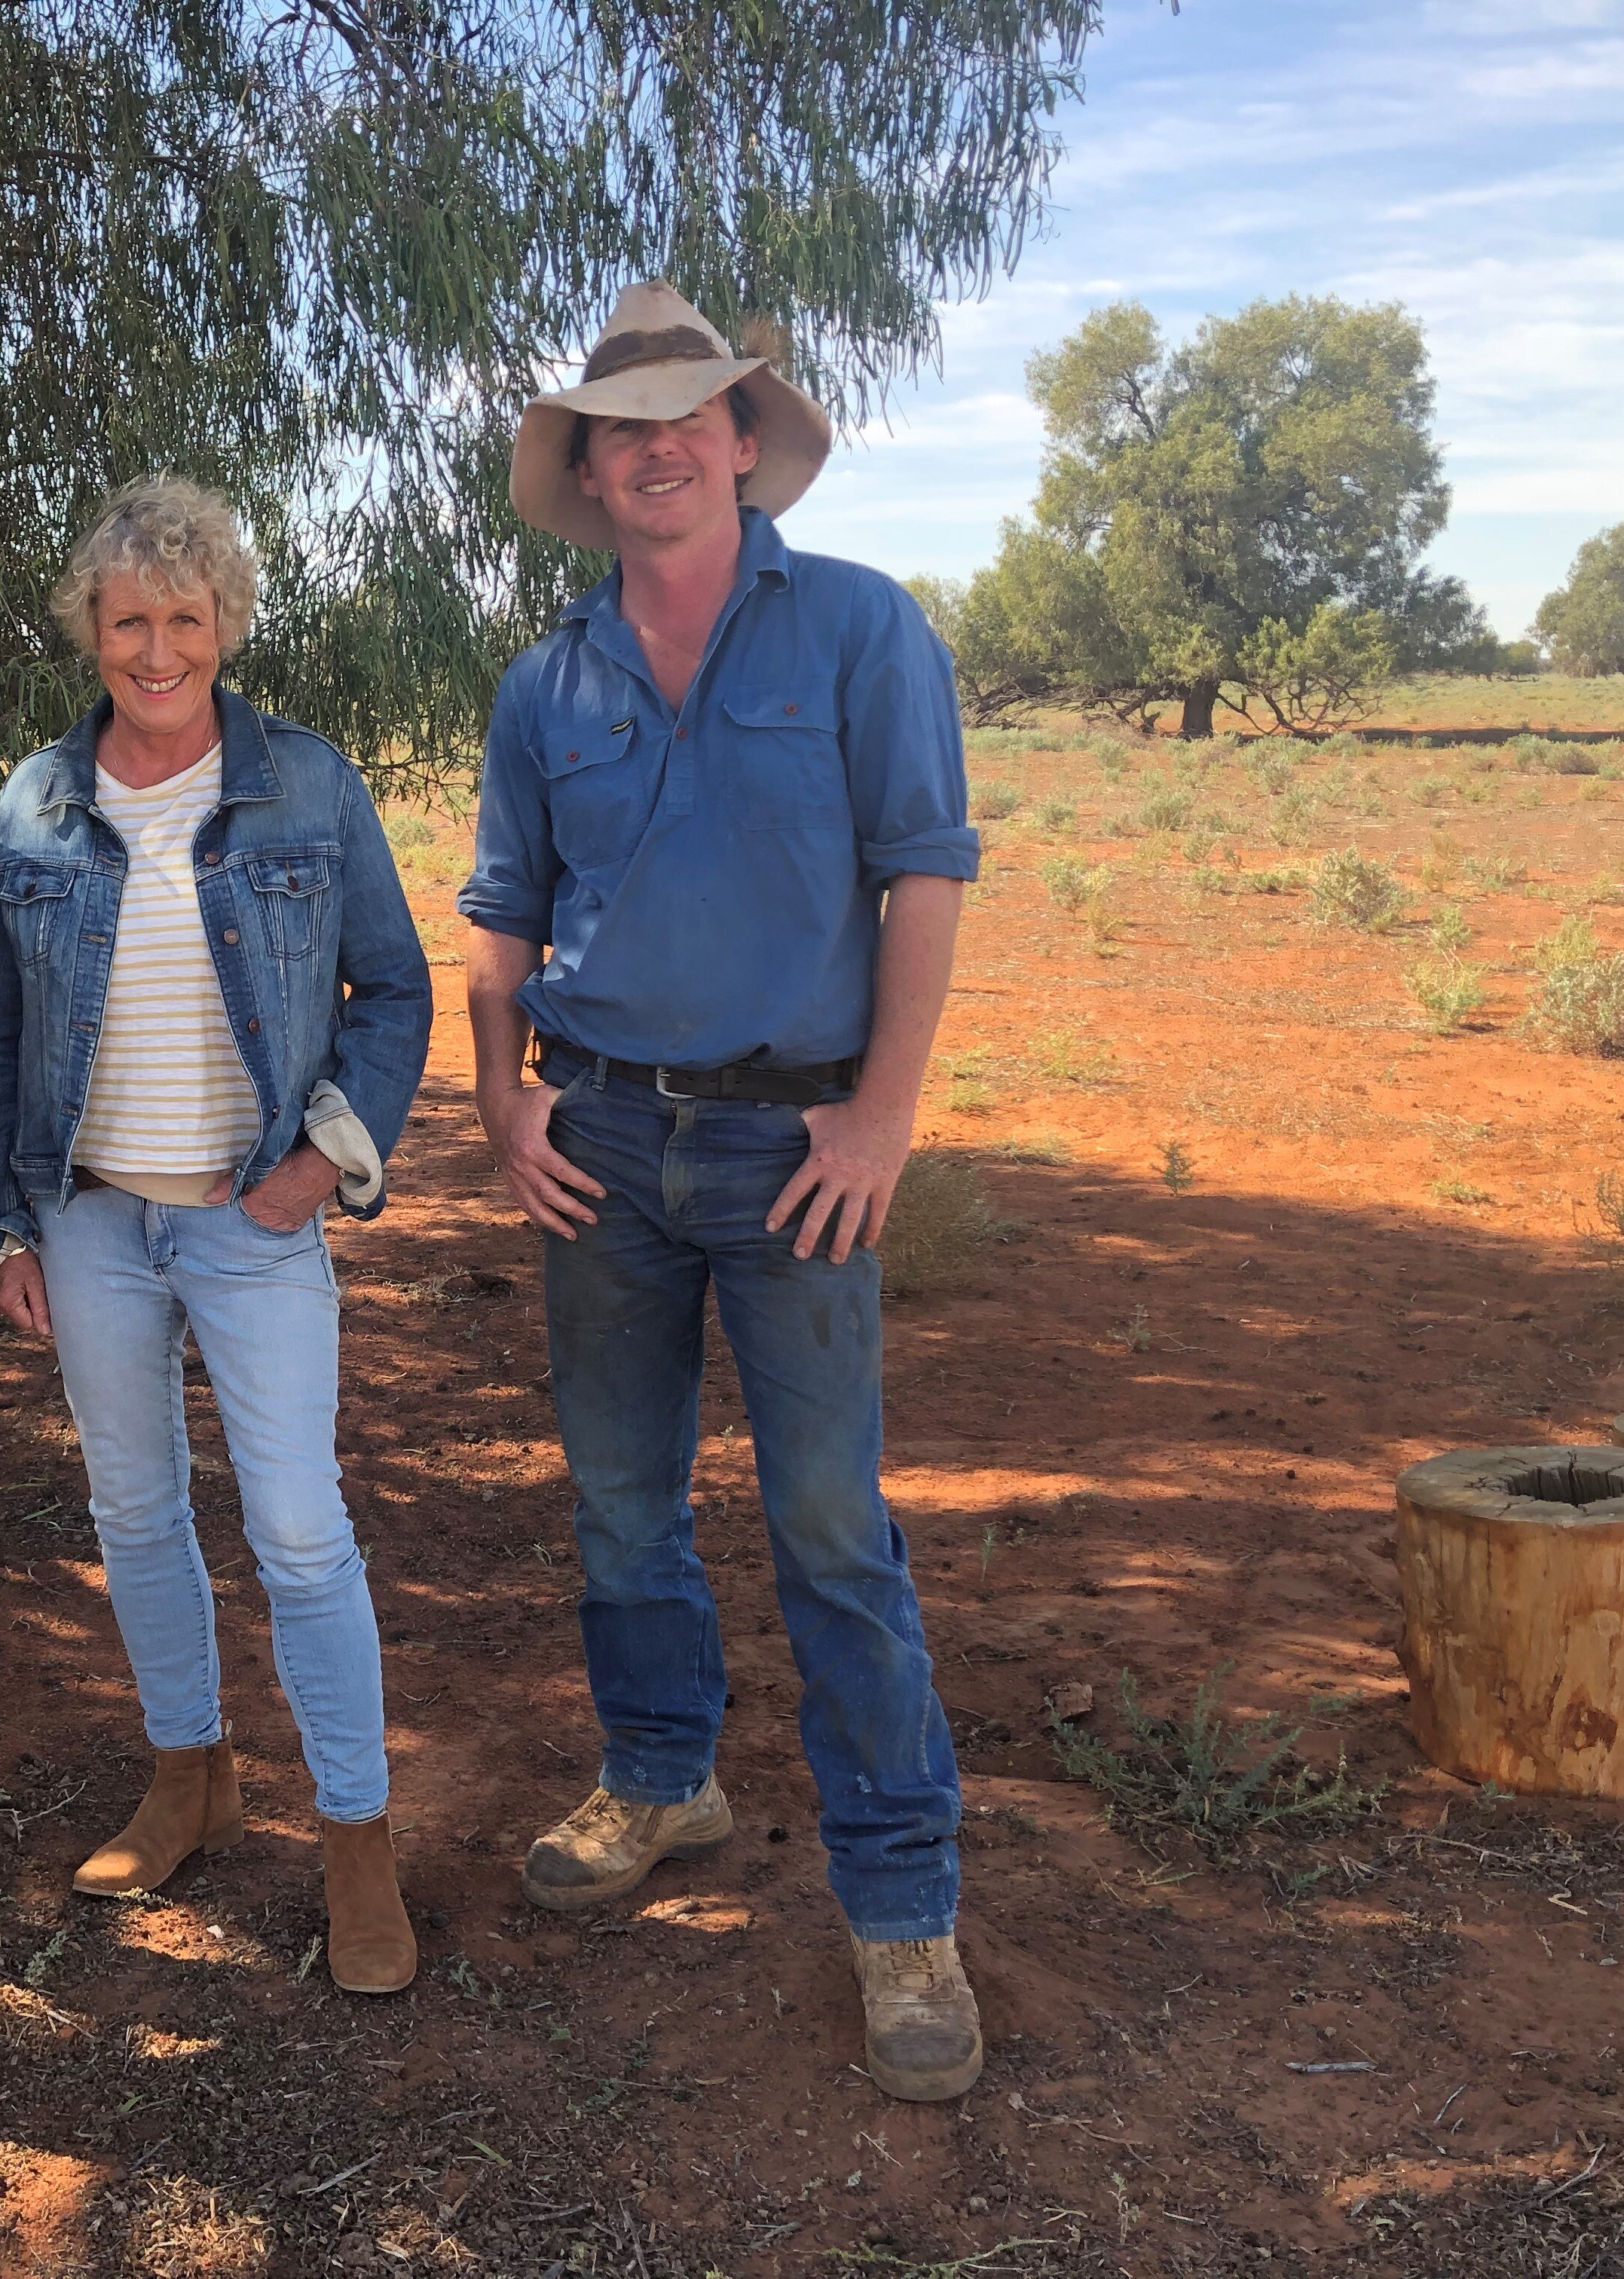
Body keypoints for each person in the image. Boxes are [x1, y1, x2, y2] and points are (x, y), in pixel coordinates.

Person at [458, 283, 986, 2100]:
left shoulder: (856, 631)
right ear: (590, 472)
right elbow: (503, 918)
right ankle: (665, 1780)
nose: (659, 446)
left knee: (831, 1526)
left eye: (693, 418)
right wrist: (494, 1104)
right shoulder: (549, 681)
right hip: (597, 1146)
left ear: (746, 445)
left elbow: (925, 876)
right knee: (621, 1501)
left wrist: (884, 1120)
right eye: (623, 428)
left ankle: (903, 1907)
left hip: (794, 1156)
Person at [0, 478, 434, 1995]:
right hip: (93, 1216)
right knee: (136, 1513)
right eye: (126, 621)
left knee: (299, 1530)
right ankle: (190, 1775)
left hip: (248, 1216)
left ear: (226, 623)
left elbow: (395, 991)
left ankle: (356, 1840)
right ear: (91, 631)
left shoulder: (305, 785)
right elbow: (0, 1034)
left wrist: (320, 1168)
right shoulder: (40, 799)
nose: (156, 650)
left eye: (185, 618)